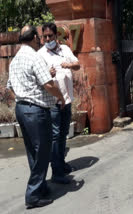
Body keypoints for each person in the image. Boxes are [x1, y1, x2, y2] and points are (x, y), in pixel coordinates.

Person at [7, 25, 65, 209]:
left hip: (22, 109)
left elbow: (9, 87)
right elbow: (48, 84)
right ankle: (32, 194)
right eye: (39, 37)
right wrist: (60, 96)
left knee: (34, 151)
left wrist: (23, 97)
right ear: (33, 38)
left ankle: (40, 187)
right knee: (44, 151)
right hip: (36, 111)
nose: (41, 40)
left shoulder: (15, 59)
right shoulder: (34, 56)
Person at [38, 23, 80, 184]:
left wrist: (68, 64)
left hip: (67, 100)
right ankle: (56, 172)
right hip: (53, 102)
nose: (47, 39)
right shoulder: (41, 55)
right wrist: (47, 74)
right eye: (45, 36)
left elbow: (77, 65)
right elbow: (38, 79)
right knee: (55, 136)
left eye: (50, 36)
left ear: (56, 36)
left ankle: (61, 164)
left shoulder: (65, 50)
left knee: (63, 134)